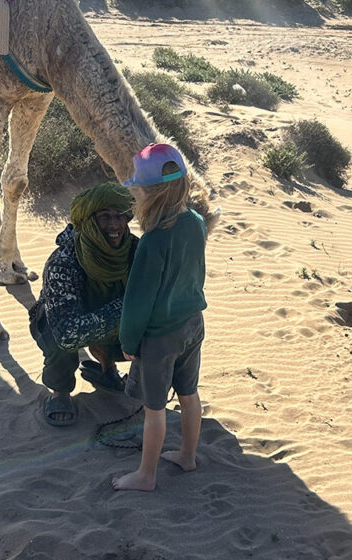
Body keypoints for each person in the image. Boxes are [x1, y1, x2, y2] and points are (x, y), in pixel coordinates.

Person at [111, 143, 207, 492]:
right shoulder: (196, 222)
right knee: (189, 394)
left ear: (148, 195)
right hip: (193, 323)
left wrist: (128, 341)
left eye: (138, 190)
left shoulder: (152, 242)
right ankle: (187, 455)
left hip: (161, 335)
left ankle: (146, 475)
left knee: (155, 409)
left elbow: (138, 301)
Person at [29, 182, 139, 427]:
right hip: (59, 323)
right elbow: (68, 334)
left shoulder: (134, 250)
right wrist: (130, 307)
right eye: (105, 217)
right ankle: (60, 391)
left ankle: (107, 370)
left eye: (120, 216)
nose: (114, 225)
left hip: (104, 319)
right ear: (89, 222)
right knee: (61, 342)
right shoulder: (64, 261)